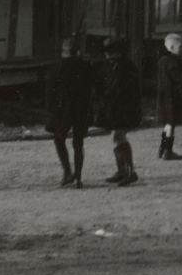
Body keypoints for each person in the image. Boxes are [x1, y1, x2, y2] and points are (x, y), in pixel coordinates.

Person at [44, 36, 93, 188]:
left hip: (62, 110)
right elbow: (95, 86)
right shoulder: (86, 66)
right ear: (77, 51)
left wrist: (50, 109)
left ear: (63, 52)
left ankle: (67, 172)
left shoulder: (57, 67)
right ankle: (78, 177)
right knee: (78, 143)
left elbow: (50, 91)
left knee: (59, 140)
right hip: (81, 108)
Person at [95, 37, 141, 186]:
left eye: (110, 52)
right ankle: (122, 170)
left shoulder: (127, 67)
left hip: (124, 109)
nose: (106, 55)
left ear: (118, 53)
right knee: (116, 138)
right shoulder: (111, 65)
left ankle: (128, 172)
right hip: (115, 109)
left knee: (119, 137)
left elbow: (127, 90)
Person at [155, 33, 182, 161]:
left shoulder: (162, 61)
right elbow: (181, 81)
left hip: (163, 96)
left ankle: (162, 148)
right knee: (171, 124)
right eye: (180, 47)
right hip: (172, 97)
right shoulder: (173, 63)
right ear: (172, 47)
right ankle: (168, 151)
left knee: (167, 123)